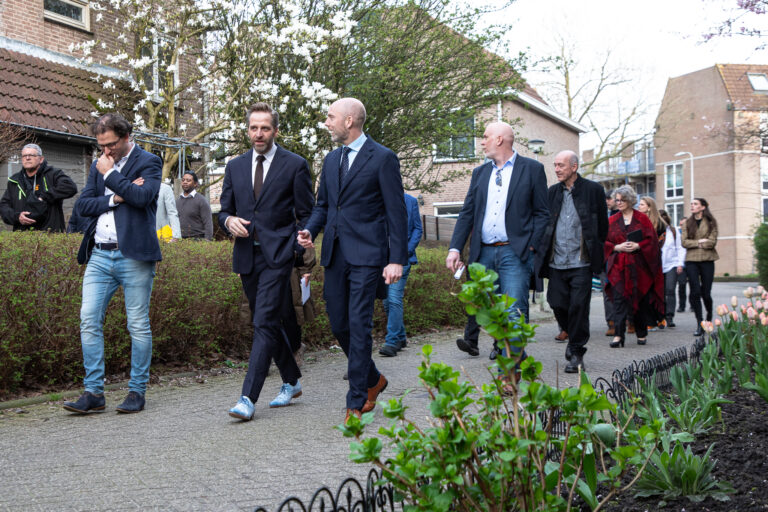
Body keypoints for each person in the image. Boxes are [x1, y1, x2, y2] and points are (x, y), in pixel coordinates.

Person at [298, 97, 407, 423]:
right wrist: (310, 230)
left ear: (349, 121)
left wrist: (396, 259)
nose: (326, 122)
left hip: (368, 256)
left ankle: (356, 402)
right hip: (335, 254)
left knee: (359, 325)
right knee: (339, 323)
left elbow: (396, 212)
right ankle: (374, 379)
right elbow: (324, 206)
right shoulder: (331, 161)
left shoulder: (383, 158)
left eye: (331, 117)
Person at [62, 113, 162, 414]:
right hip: (100, 255)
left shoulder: (149, 161)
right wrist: (117, 197)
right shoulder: (99, 164)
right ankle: (94, 392)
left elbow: (143, 197)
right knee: (89, 319)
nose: (106, 151)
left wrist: (111, 177)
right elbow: (83, 206)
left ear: (126, 136)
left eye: (112, 144)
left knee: (137, 325)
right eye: (101, 145)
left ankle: (136, 392)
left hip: (134, 255)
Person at [220, 103, 314, 419]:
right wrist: (228, 221)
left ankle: (247, 398)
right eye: (253, 128)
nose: (258, 134)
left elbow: (307, 212)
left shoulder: (295, 165)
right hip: (247, 255)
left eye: (265, 128)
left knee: (261, 322)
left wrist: (302, 239)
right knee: (269, 321)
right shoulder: (234, 167)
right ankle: (291, 380)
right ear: (247, 130)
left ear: (275, 130)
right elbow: (223, 210)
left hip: (279, 256)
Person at [446, 121, 549, 381]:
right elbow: (467, 213)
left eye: (485, 137)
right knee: (490, 313)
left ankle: (509, 374)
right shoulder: (479, 173)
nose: (481, 142)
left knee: (514, 313)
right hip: (483, 256)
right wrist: (455, 247)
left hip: (515, 254)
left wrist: (531, 245)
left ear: (500, 139)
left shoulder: (532, 169)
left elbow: (542, 213)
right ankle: (513, 355)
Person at [538, 150, 607, 373]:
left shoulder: (593, 190)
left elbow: (602, 227)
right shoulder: (551, 193)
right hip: (556, 262)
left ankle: (576, 352)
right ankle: (572, 336)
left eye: (561, 165)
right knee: (556, 303)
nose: (556, 169)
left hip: (581, 263)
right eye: (555, 165)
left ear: (574, 167)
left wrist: (595, 250)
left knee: (579, 307)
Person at [604, 185, 664, 348]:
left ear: (630, 200)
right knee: (618, 300)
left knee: (641, 300)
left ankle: (641, 332)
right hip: (619, 266)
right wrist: (617, 247)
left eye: (622, 200)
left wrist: (638, 246)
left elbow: (652, 241)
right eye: (617, 200)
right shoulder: (611, 221)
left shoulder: (642, 219)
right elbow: (604, 242)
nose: (619, 203)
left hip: (639, 266)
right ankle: (618, 335)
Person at [379, 192, 423, 357]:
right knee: (386, 302)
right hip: (382, 259)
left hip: (402, 259)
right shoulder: (378, 199)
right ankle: (401, 336)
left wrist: (405, 251)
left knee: (394, 298)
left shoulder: (410, 201)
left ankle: (392, 341)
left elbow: (418, 229)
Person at [0, 143, 77, 232]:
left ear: (41, 159)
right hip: (22, 236)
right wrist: (17, 217)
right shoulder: (14, 180)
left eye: (31, 155)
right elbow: (4, 206)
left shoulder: (53, 174)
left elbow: (70, 187)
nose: (27, 158)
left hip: (50, 236)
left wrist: (45, 196)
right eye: (24, 155)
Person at [681, 198, 719, 336]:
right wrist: (700, 242)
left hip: (708, 260)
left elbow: (712, 242)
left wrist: (700, 243)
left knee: (706, 293)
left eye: (695, 204)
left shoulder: (711, 222)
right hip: (691, 260)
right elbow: (684, 242)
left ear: (703, 207)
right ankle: (700, 323)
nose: (692, 206)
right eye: (691, 204)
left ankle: (709, 316)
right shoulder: (687, 223)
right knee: (695, 291)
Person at [280, 246, 316, 366]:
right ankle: (266, 354)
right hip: (263, 267)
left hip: (289, 269)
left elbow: (303, 233)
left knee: (289, 313)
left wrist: (306, 268)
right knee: (264, 315)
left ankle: (295, 349)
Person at [637, 196, 668, 331]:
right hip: (640, 259)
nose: (639, 206)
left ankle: (659, 318)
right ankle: (651, 320)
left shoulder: (660, 224)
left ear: (649, 207)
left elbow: (659, 243)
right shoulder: (637, 221)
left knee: (654, 290)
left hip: (653, 260)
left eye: (642, 204)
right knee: (643, 291)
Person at [659, 209, 685, 328]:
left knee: (670, 290)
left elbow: (680, 248)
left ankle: (669, 316)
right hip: (657, 266)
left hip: (671, 265)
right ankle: (660, 317)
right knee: (660, 292)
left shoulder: (673, 231)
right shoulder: (654, 231)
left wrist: (680, 263)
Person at [176, 171, 213, 240]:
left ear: (195, 184)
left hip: (197, 241)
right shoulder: (177, 201)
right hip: (180, 241)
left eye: (188, 180)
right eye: (183, 180)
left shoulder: (202, 201)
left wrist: (207, 242)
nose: (185, 182)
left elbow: (208, 223)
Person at [602, 188, 618, 336]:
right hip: (605, 258)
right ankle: (611, 323)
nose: (607, 202)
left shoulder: (621, 216)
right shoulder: (602, 215)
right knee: (607, 291)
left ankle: (628, 320)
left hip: (620, 258)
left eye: (610, 199)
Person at [676, 217, 690, 312]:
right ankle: (682, 306)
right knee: (682, 285)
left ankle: (693, 304)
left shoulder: (692, 234)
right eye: (680, 225)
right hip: (681, 264)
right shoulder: (677, 235)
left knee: (694, 285)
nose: (681, 226)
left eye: (683, 224)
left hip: (691, 262)